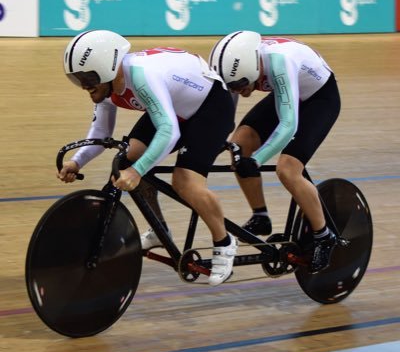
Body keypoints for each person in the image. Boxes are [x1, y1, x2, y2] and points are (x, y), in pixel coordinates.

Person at [58, 29, 238, 286]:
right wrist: (76, 162)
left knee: (185, 181)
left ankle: (225, 242)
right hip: (176, 107)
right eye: (77, 79)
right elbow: (101, 132)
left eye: (87, 77)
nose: (84, 85)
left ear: (108, 69)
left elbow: (170, 131)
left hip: (210, 106)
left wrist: (139, 170)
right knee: (125, 162)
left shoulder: (142, 77)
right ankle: (159, 229)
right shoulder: (107, 86)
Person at [209, 30, 341, 273]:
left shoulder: (280, 61)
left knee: (288, 170)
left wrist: (257, 160)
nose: (238, 91)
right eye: (232, 85)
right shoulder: (239, 70)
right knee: (240, 143)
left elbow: (288, 124)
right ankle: (260, 216)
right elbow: (228, 108)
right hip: (289, 92)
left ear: (252, 69)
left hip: (319, 99)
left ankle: (324, 235)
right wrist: (220, 138)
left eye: (240, 85)